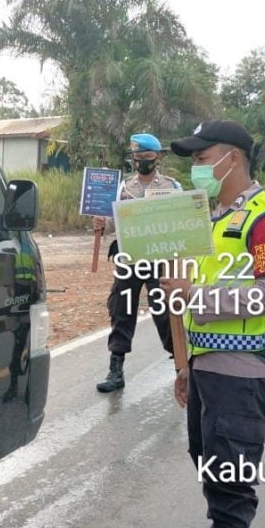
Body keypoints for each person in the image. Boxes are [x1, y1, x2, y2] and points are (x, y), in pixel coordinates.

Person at [159, 119, 265, 528]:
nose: (195, 167)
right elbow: (182, 294)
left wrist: (194, 293)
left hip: (244, 369)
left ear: (231, 158)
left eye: (202, 158)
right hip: (205, 365)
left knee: (231, 476)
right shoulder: (209, 218)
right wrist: (184, 365)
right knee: (210, 462)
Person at [93, 132, 183, 393]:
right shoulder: (122, 188)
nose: (142, 161)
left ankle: (182, 367)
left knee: (165, 312)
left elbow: (181, 219)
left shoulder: (171, 187)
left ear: (158, 157)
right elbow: (113, 221)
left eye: (147, 156)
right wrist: (102, 223)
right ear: (132, 158)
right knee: (121, 310)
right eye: (137, 157)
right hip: (129, 258)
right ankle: (116, 369)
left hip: (159, 259)